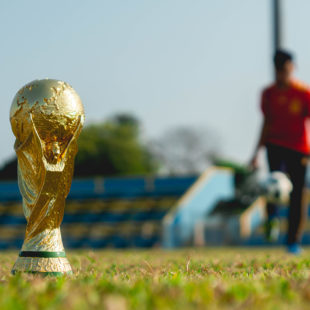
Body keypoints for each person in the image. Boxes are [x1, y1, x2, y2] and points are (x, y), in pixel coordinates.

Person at [250, 49, 310, 254]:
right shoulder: (268, 94)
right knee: (273, 184)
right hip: (275, 146)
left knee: (297, 196)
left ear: (292, 68)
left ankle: (293, 241)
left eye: (287, 69)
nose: (284, 73)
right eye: (280, 70)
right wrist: (255, 153)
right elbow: (266, 123)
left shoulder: (303, 94)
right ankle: (272, 218)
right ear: (275, 70)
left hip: (299, 150)